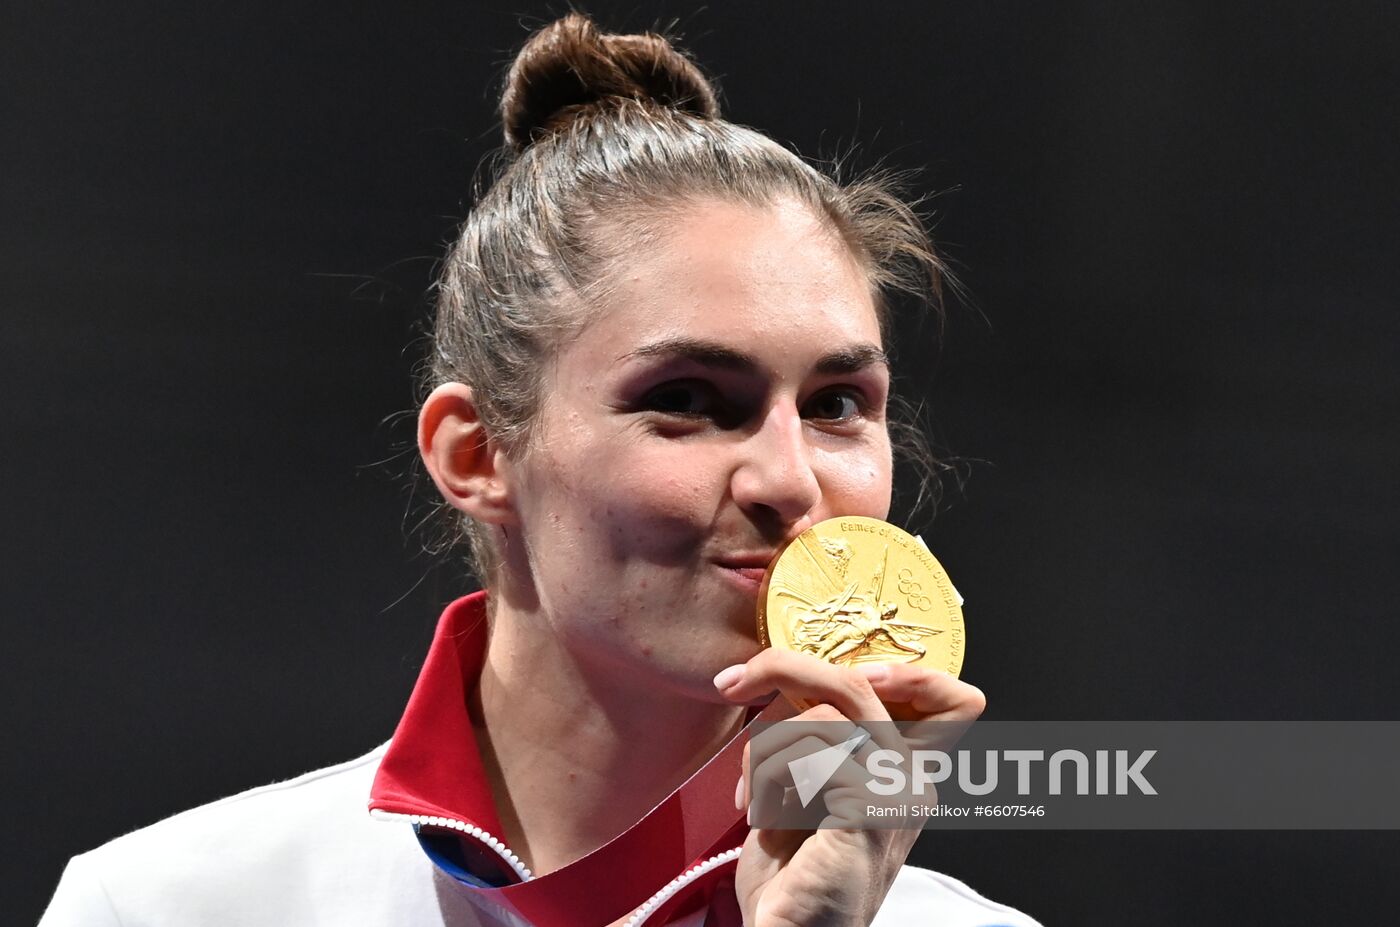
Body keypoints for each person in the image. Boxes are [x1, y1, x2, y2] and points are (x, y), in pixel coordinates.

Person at [38, 13, 1040, 927]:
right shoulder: (170, 908)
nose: (788, 480)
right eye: (686, 400)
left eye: (833, 407)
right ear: (476, 456)